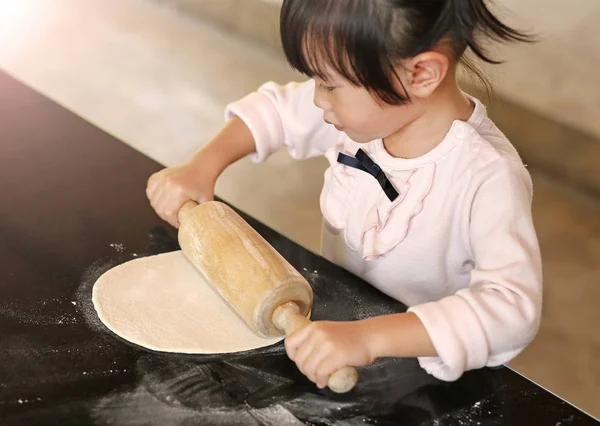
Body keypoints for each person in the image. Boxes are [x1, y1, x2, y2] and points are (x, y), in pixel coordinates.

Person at [146, 0, 543, 389]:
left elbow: (509, 310)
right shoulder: (367, 109)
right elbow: (277, 111)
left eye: (328, 84)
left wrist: (368, 338)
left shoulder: (487, 177)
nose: (318, 99)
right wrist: (202, 167)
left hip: (423, 374)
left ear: (421, 73)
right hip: (334, 328)